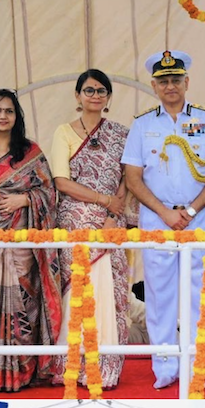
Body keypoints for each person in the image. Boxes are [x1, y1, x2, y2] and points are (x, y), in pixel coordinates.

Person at [121, 50, 205, 391]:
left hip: (198, 218)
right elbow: (133, 177)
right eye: (163, 81)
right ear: (154, 85)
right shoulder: (142, 124)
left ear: (186, 82)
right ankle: (165, 367)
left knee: (201, 294)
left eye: (176, 80)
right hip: (158, 220)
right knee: (160, 296)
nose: (170, 86)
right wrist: (166, 213)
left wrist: (192, 211)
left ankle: (200, 363)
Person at [0, 88, 63, 392]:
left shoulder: (30, 152)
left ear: (17, 117)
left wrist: (24, 200)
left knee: (22, 304)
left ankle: (20, 372)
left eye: (8, 111)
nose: (2, 116)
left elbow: (50, 194)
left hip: (20, 246)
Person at [48, 69, 132, 390]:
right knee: (78, 291)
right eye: (89, 90)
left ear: (108, 97)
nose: (95, 95)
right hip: (75, 221)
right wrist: (103, 200)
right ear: (77, 95)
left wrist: (115, 210)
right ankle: (72, 365)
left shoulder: (121, 134)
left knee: (108, 293)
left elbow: (129, 177)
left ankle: (104, 366)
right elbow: (61, 181)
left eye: (101, 91)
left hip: (112, 221)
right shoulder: (64, 132)